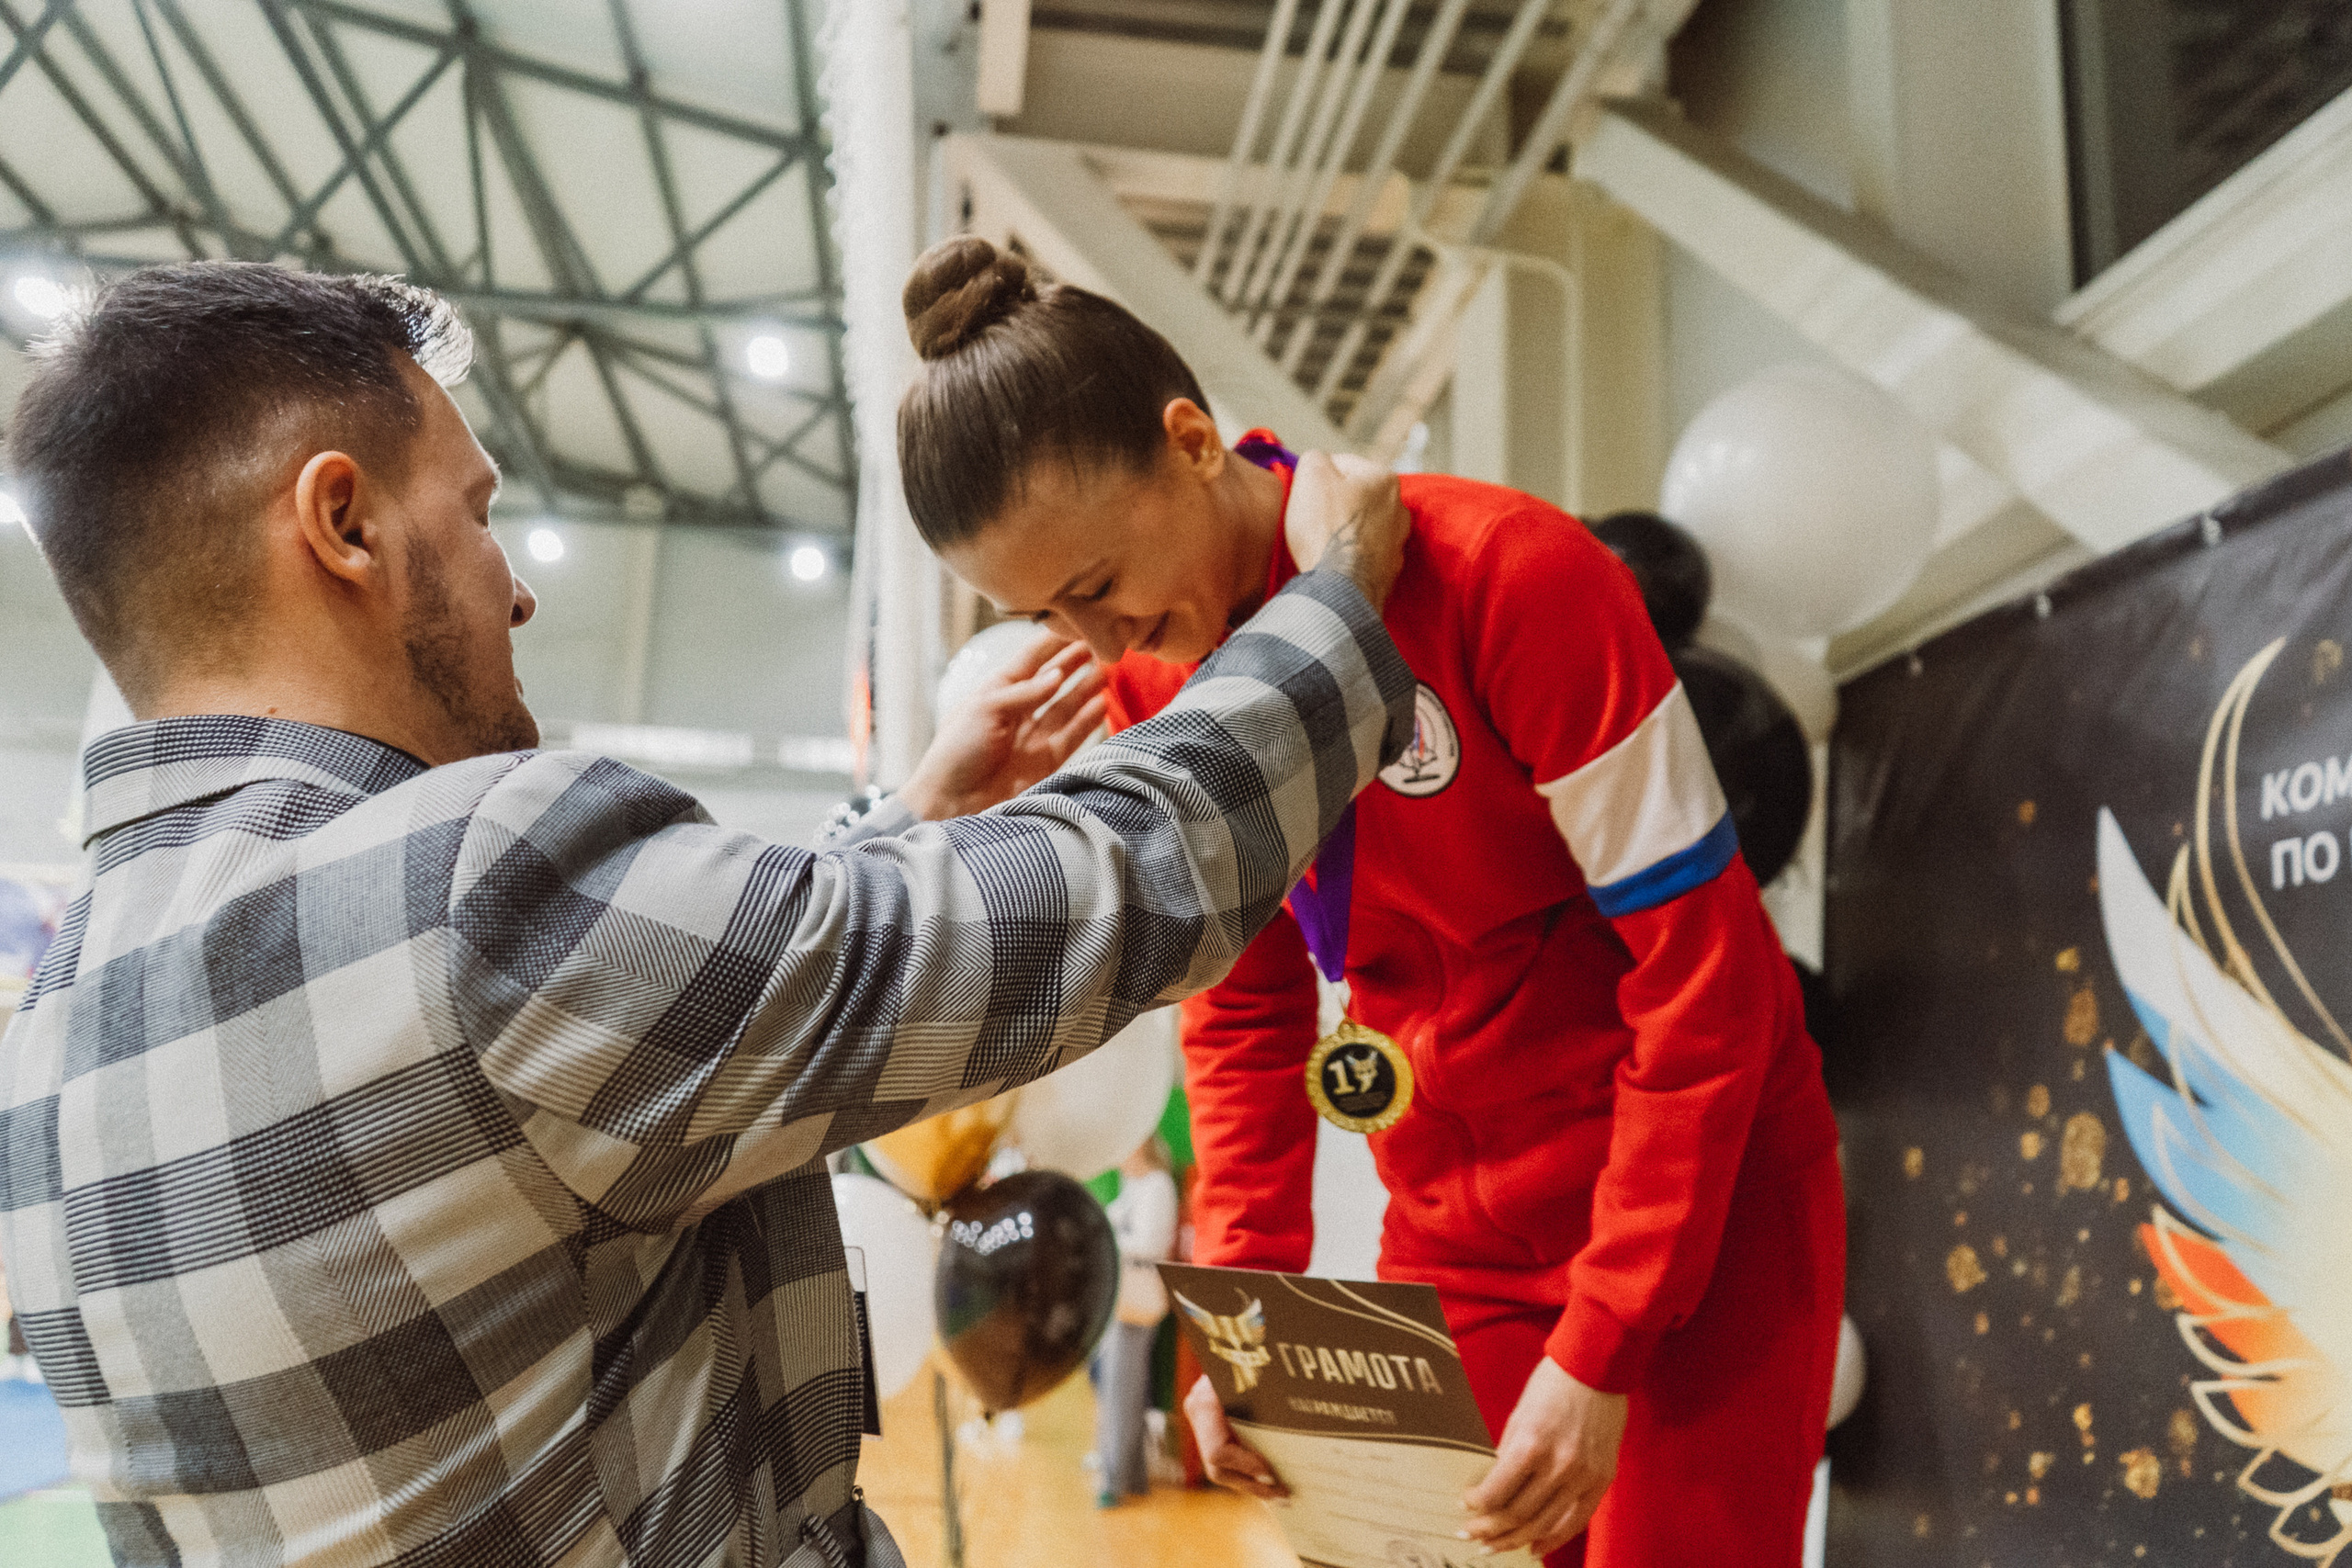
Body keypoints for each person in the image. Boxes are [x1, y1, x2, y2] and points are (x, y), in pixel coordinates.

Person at [0, 260, 1417, 1567]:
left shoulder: (51, 1043)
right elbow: (1110, 881)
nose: (520, 583)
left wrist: (923, 795)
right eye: (481, 511)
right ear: (343, 521)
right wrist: (1337, 598)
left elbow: (632, 1043)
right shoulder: (464, 887)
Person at [892, 236, 1846, 1567]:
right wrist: (1250, 1321)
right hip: (1458, 1215)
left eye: (1100, 587)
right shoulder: (1159, 691)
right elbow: (1243, 1017)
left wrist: (1608, 1335)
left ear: (1190, 442)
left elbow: (1710, 980)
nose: (1101, 648)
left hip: (1698, 1207)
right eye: (1052, 616)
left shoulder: (1515, 577)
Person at [1091, 1136, 1179, 1506]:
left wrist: (1107, 1236)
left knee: (1122, 1392)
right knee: (1119, 1390)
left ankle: (1116, 1479)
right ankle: (1132, 1476)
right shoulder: (1135, 1186)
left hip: (1138, 1301)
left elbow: (1150, 1243)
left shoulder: (1158, 1185)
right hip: (1121, 1299)